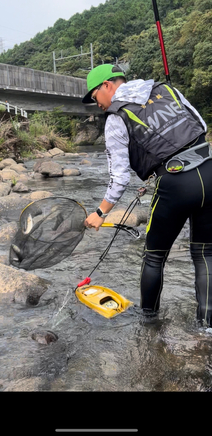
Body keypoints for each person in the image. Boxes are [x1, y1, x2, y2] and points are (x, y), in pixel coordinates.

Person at [82, 63, 212, 326]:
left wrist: (100, 213)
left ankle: (148, 322)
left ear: (107, 85)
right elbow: (200, 124)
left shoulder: (117, 117)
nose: (98, 104)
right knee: (206, 254)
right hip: (209, 170)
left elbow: (119, 178)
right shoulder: (166, 89)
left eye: (95, 97)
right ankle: (207, 327)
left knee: (154, 257)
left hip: (175, 184)